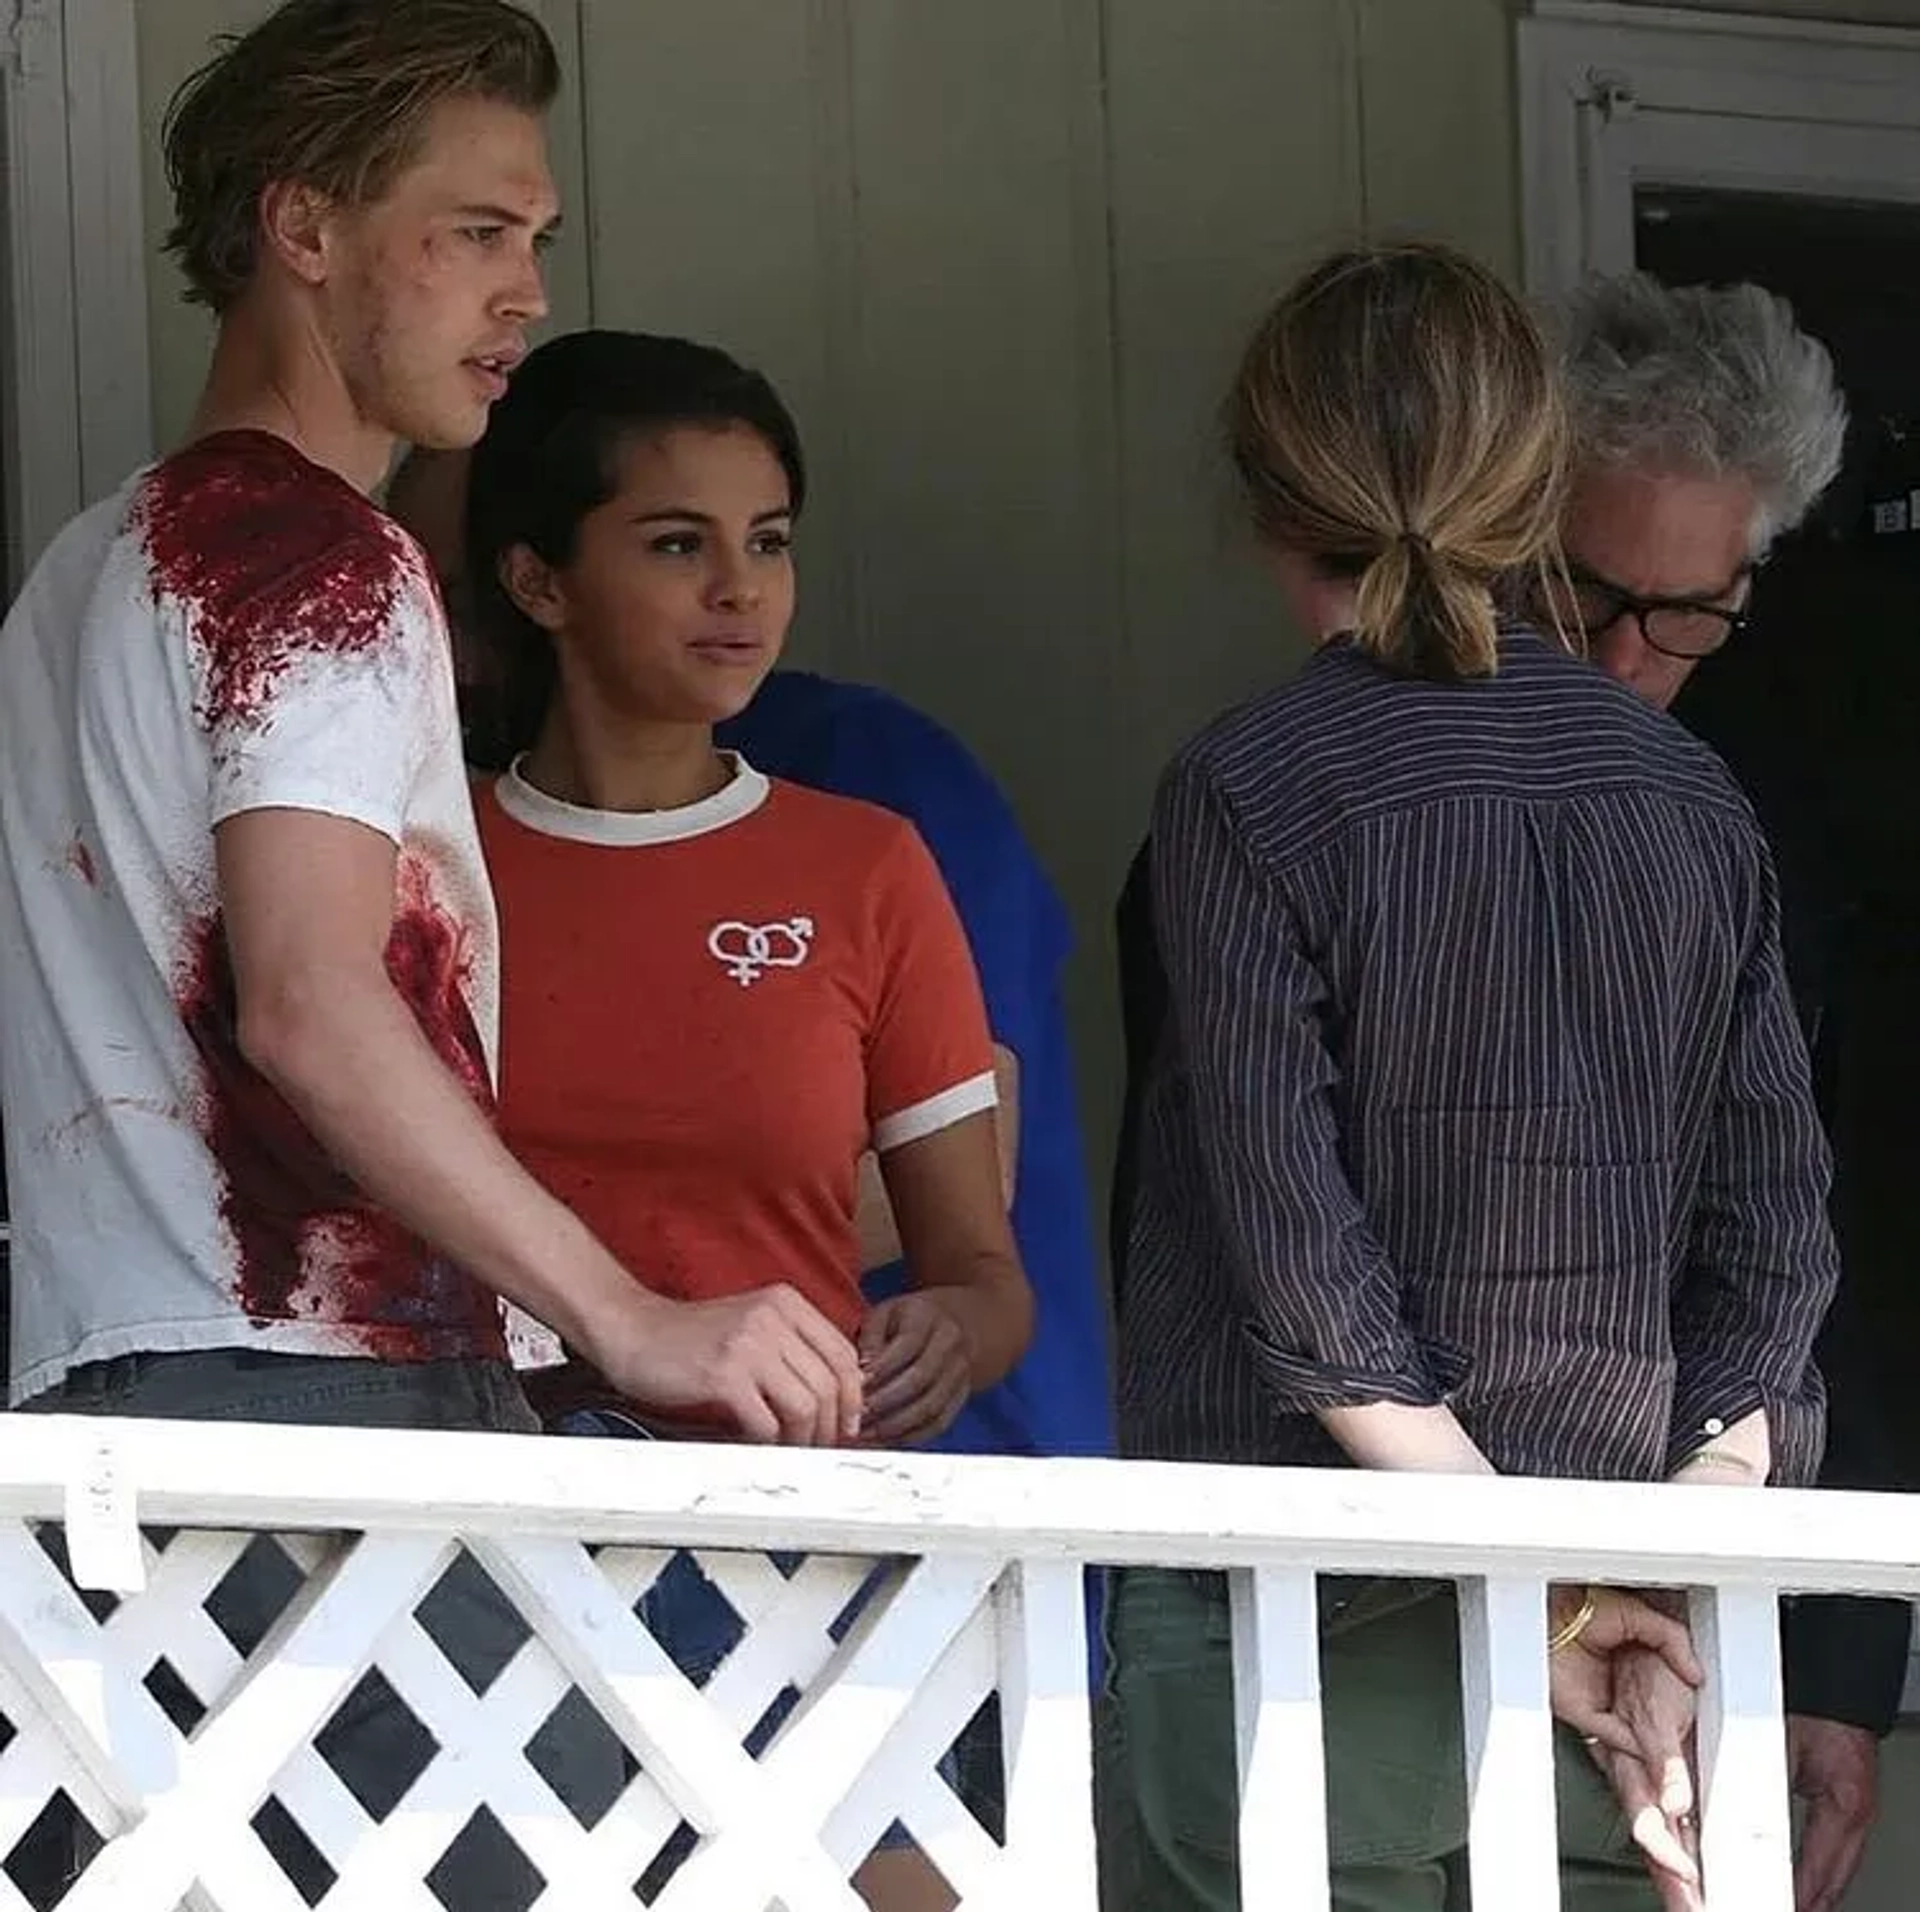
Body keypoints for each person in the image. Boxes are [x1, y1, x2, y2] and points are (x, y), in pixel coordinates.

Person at [0, 2, 861, 1895]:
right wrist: (630, 1317)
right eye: (475, 232)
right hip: (316, 1399)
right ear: (304, 229)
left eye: (532, 241)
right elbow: (311, 1003)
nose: (525, 292)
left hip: (99, 1425)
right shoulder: (321, 556)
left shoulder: (78, 577)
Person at [1108, 243, 1839, 1912]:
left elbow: (1301, 1267)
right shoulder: (1691, 798)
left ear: (1268, 502)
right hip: (1634, 1626)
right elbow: (1781, 1242)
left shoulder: (1246, 784)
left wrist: (1563, 1590)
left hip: (1303, 1591)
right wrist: (1667, 1556)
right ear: (1534, 493)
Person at [459, 326, 1034, 1911]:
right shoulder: (423, 868)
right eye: (676, 543)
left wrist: (953, 1337)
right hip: (498, 1539)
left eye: (768, 543)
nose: (741, 590)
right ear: (537, 579)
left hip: (805, 1537)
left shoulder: (865, 866)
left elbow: (979, 1267)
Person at [1552, 271, 1894, 1912]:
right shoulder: (1338, 786)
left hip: (1732, 1557)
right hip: (1401, 1565)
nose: (1629, 656)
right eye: (1586, 594)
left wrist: (1837, 1651)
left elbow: (1854, 1231)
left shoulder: (1790, 815)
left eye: (1684, 613)